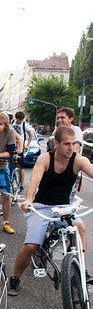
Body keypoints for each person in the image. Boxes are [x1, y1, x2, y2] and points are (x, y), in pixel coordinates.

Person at [8, 126, 93, 296]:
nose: (71, 148)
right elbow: (35, 179)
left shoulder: (78, 160)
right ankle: (15, 277)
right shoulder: (45, 158)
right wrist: (29, 199)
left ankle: (81, 271)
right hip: (42, 207)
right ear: (56, 144)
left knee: (81, 228)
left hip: (64, 208)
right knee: (31, 245)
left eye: (74, 143)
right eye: (67, 144)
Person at [0, 112, 16, 234]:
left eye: (0, 124)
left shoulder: (10, 132)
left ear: (5, 125)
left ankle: (6, 223)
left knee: (6, 196)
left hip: (2, 167)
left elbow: (11, 152)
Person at [11, 111, 33, 188]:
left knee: (21, 166)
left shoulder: (25, 125)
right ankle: (10, 180)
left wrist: (27, 145)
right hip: (12, 145)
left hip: (20, 147)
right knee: (10, 163)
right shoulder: (12, 122)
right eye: (18, 119)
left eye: (21, 120)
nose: (19, 121)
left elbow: (30, 135)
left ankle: (21, 185)